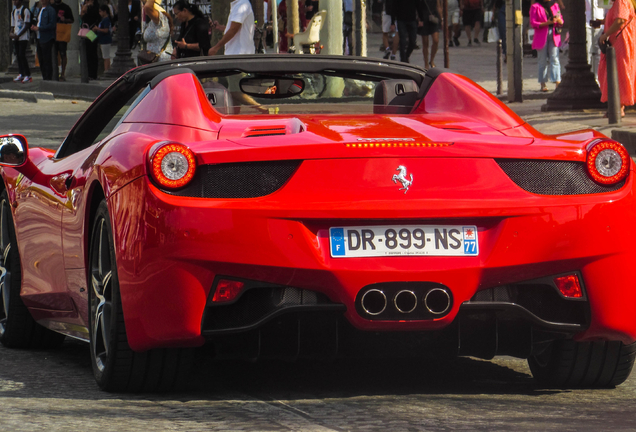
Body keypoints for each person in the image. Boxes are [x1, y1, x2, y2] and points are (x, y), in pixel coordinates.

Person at [599, 0, 636, 117]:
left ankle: (618, 107)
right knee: (614, 72)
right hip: (617, 41)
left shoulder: (621, 1)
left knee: (619, 71)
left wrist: (606, 34)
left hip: (621, 42)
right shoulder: (616, 2)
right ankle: (616, 106)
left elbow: (620, 20)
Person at [530, 0, 563, 92]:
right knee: (542, 60)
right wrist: (546, 23)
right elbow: (533, 23)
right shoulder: (535, 6)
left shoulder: (555, 5)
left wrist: (559, 20)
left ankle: (557, 82)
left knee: (555, 58)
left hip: (554, 34)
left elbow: (561, 20)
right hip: (541, 35)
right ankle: (543, 83)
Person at [31, 0, 56, 81]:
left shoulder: (50, 10)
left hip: (46, 37)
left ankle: (48, 77)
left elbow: (52, 24)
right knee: (41, 59)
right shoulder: (39, 9)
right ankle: (44, 76)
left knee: (47, 59)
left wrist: (40, 28)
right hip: (38, 37)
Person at [10, 0, 32, 83]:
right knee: (18, 56)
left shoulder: (25, 10)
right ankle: (21, 73)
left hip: (23, 37)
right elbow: (13, 25)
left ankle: (27, 74)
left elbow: (27, 25)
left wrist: (18, 35)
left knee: (22, 55)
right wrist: (11, 33)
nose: (14, 2)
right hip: (15, 37)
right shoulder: (13, 12)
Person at [52, 0, 74, 81]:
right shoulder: (51, 7)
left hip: (62, 34)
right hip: (53, 33)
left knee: (63, 54)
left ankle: (63, 73)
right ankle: (55, 72)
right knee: (53, 53)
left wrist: (65, 19)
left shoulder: (66, 7)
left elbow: (72, 20)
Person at [81, 0, 100, 80]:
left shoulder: (95, 6)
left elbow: (97, 16)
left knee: (92, 52)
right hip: (86, 29)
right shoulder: (85, 5)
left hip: (92, 30)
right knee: (87, 52)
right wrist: (86, 6)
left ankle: (93, 74)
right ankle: (88, 73)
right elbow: (82, 14)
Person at [586, 0, 605, 81]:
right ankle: (587, 76)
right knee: (587, 51)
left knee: (597, 52)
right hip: (587, 23)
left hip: (600, 24)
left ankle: (597, 77)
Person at [419, 0, 441, 68]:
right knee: (425, 42)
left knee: (436, 40)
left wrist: (441, 18)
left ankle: (431, 60)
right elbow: (418, 6)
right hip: (423, 16)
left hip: (434, 16)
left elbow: (438, 6)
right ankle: (426, 63)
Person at [92, 5, 112, 72]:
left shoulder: (106, 20)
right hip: (102, 40)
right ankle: (107, 69)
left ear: (104, 11)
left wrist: (98, 29)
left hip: (105, 40)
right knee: (105, 56)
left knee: (106, 56)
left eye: (100, 11)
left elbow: (106, 30)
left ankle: (107, 70)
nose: (99, 13)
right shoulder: (103, 20)